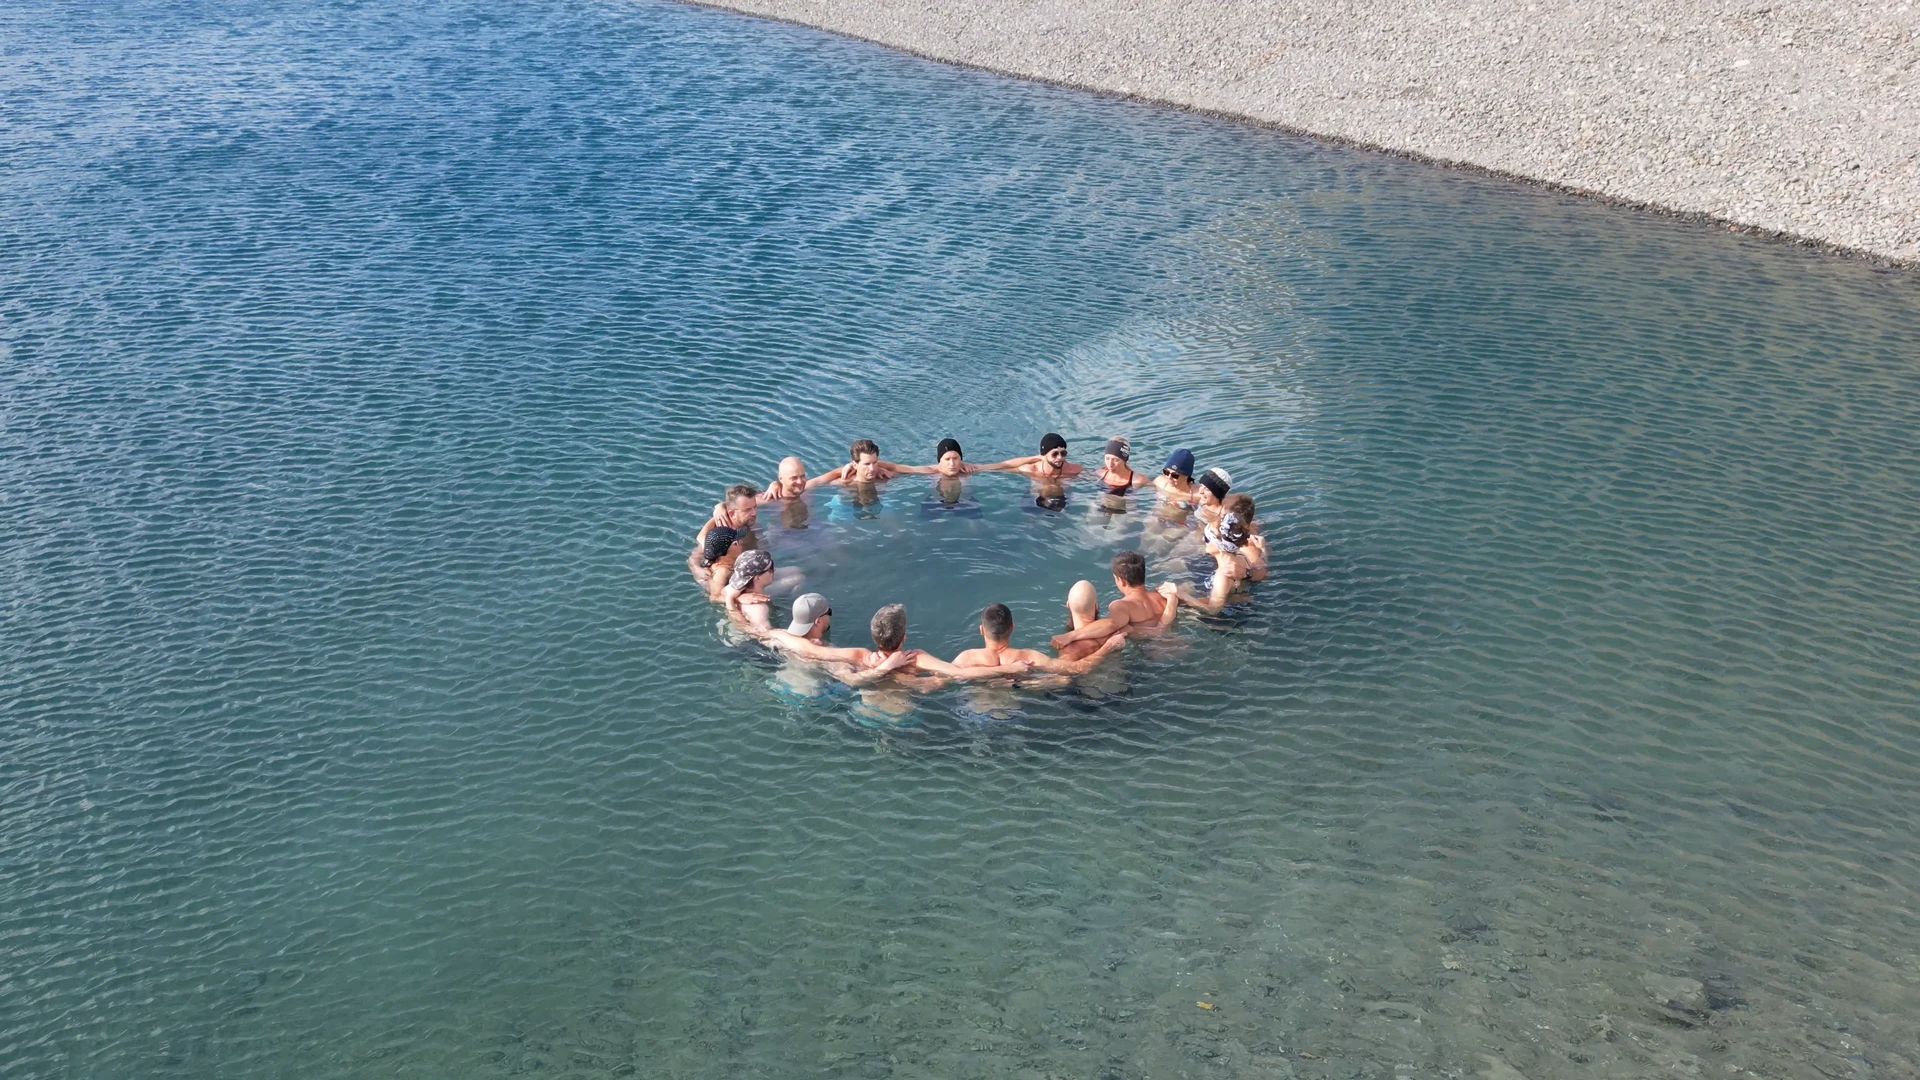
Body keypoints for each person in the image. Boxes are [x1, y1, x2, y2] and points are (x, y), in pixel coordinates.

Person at [1050, 551, 1180, 652]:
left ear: (1121, 580)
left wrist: (1070, 636)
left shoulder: (1122, 606)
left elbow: (1109, 625)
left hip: (1157, 653)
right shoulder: (1163, 596)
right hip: (1179, 644)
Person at [948, 603, 1126, 675]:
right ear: (1012, 627)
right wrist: (1108, 647)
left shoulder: (967, 658)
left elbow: (935, 681)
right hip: (1013, 715)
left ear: (981, 630)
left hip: (975, 714)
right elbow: (1078, 668)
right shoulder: (1028, 657)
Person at [1174, 509, 1258, 613]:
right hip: (1238, 602)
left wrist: (1182, 595)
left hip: (1229, 617)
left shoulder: (1222, 575)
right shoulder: (1240, 558)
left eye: (1207, 539)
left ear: (1219, 546)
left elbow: (1213, 610)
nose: (1205, 542)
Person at [720, 549, 776, 632]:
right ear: (758, 578)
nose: (774, 570)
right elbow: (765, 637)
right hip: (744, 643)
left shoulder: (728, 590)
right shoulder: (758, 609)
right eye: (770, 569)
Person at [1221, 493, 1268, 581]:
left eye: (1224, 516)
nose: (1221, 513)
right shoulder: (1254, 524)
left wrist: (1245, 573)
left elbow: (1263, 573)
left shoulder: (1247, 547)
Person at [690, 525, 743, 598]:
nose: (741, 542)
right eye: (736, 543)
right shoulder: (722, 571)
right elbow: (715, 597)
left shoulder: (714, 556)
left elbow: (701, 536)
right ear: (724, 553)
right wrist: (740, 598)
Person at [758, 456, 825, 502]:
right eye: (794, 478)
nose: (800, 482)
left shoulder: (808, 488)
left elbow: (834, 474)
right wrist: (774, 483)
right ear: (781, 478)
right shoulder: (769, 500)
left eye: (802, 476)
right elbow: (748, 497)